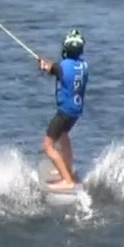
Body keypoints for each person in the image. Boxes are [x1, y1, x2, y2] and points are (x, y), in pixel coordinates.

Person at [37, 29, 88, 190]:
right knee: (64, 136)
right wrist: (49, 67)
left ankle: (67, 181)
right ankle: (68, 169)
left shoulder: (62, 67)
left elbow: (54, 69)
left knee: (48, 146)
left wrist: (44, 66)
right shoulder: (84, 66)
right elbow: (57, 70)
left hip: (64, 113)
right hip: (76, 111)